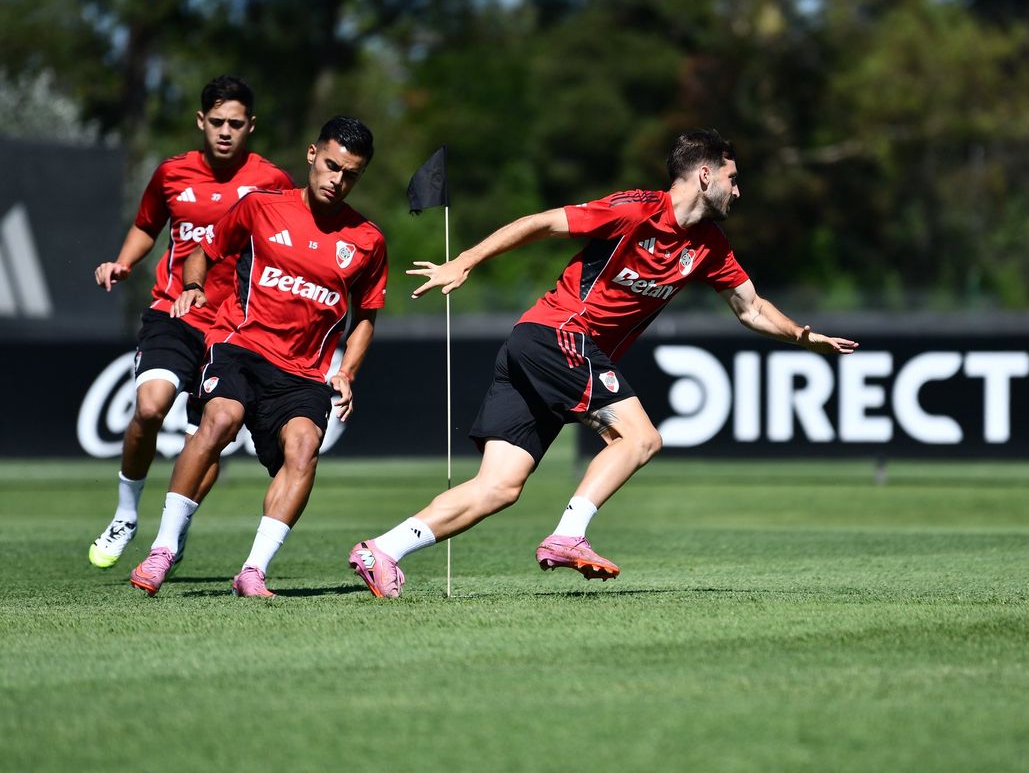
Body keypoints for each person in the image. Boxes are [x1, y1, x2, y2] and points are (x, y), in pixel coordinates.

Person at [347, 129, 858, 598]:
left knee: (498, 486)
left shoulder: (709, 246)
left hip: (540, 347)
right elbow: (542, 222)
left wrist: (803, 336)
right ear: (705, 176)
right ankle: (569, 535)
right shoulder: (636, 210)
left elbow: (752, 308)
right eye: (732, 178)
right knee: (641, 438)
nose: (737, 190)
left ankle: (383, 550)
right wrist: (465, 262)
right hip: (557, 335)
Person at [128, 116, 387, 597]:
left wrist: (347, 370)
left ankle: (253, 571)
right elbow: (203, 250)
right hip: (240, 346)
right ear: (312, 155)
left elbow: (366, 316)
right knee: (221, 418)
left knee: (304, 448)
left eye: (350, 173)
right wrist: (192, 287)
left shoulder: (367, 239)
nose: (338, 180)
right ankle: (163, 548)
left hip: (305, 371)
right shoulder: (261, 207)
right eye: (331, 166)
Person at [89, 75, 293, 569]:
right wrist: (123, 262)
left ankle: (172, 534)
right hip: (174, 312)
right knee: (149, 407)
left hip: (233, 330)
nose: (225, 132)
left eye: (236, 124)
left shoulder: (272, 181)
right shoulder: (171, 173)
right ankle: (125, 514)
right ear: (201, 121)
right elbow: (147, 225)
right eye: (217, 122)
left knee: (210, 440)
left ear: (251, 126)